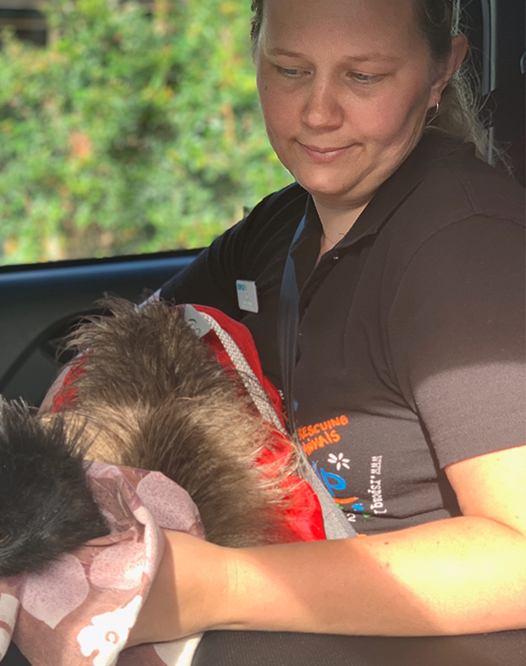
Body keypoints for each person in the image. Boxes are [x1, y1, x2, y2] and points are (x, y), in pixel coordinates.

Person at [124, 0, 526, 643]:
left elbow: (519, 554)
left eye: (363, 77)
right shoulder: (281, 227)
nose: (318, 113)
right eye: (289, 70)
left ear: (441, 73)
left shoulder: (467, 248)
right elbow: (130, 346)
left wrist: (218, 585)